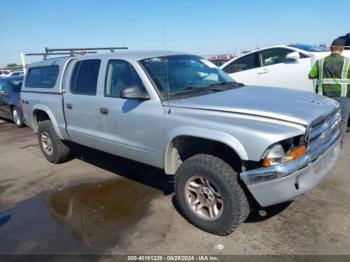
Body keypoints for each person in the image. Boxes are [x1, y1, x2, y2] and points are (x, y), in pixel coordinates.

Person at [309, 37, 350, 141]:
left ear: (331, 48)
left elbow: (311, 75)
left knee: (326, 121)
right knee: (343, 121)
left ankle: (326, 142)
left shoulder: (320, 62)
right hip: (343, 96)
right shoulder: (348, 62)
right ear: (342, 49)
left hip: (324, 97)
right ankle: (338, 142)